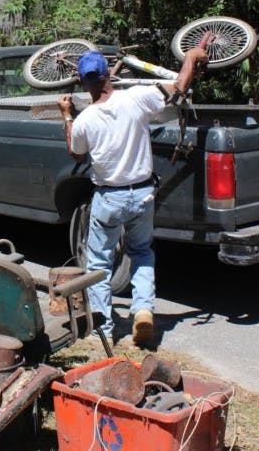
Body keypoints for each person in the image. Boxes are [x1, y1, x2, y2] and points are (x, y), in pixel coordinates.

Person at [57, 45, 209, 346]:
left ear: (83, 82)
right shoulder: (136, 98)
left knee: (99, 262)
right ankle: (142, 311)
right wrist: (191, 58)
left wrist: (66, 116)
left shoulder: (86, 119)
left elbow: (75, 151)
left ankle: (104, 327)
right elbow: (179, 89)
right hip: (142, 195)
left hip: (108, 198)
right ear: (108, 75)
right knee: (141, 252)